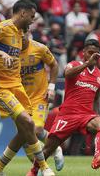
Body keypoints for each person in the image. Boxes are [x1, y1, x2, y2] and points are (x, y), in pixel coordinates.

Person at [0, 0, 55, 176]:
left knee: (26, 129)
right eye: (32, 16)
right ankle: (43, 167)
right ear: (23, 13)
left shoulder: (19, 33)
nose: (33, 20)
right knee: (27, 122)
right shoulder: (3, 27)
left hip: (16, 85)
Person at [27, 39, 100, 175]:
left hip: (86, 115)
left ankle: (98, 157)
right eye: (90, 53)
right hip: (67, 115)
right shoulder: (73, 65)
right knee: (48, 149)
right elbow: (67, 75)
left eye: (96, 54)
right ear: (83, 52)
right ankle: (33, 171)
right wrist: (86, 64)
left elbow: (96, 98)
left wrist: (96, 115)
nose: (93, 56)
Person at [20, 32, 64, 171]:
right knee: (25, 137)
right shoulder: (11, 52)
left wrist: (51, 87)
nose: (20, 37)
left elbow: (54, 65)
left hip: (39, 96)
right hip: (20, 99)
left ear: (28, 34)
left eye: (23, 34)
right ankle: (39, 168)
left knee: (36, 129)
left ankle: (54, 149)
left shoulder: (39, 48)